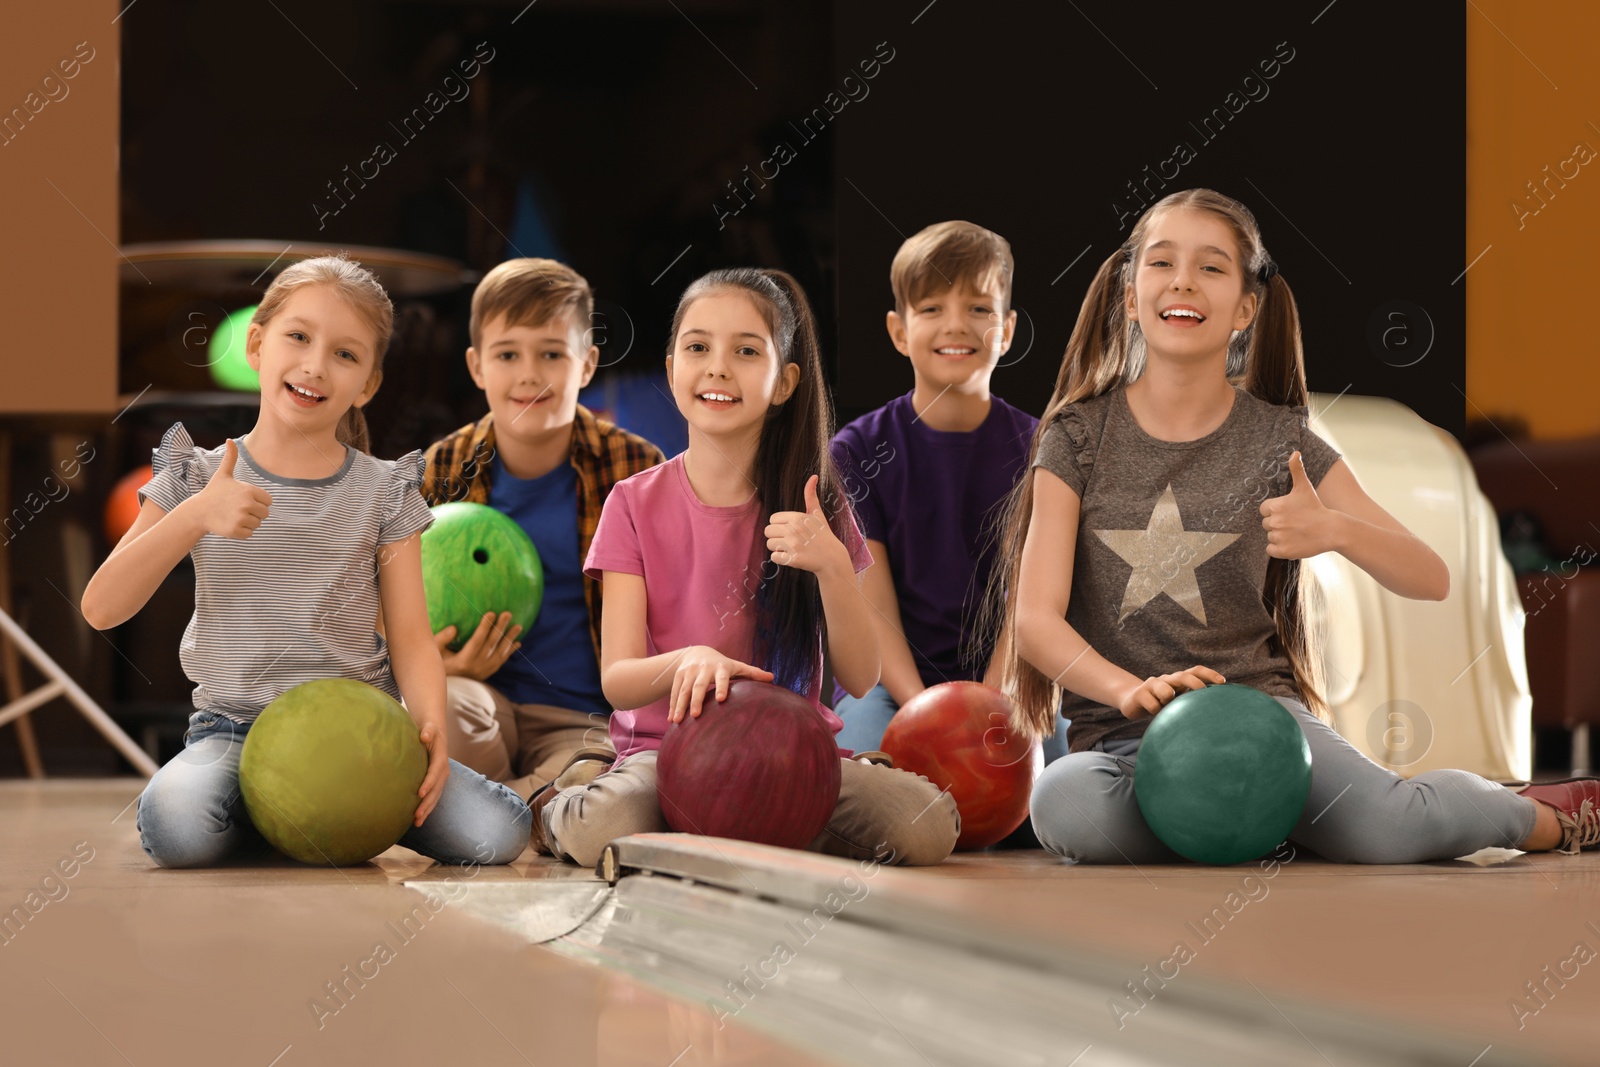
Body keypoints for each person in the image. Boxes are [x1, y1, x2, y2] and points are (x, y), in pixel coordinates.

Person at [986, 188, 1598, 863]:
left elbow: (1431, 575)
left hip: (1263, 730)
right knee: (1065, 804)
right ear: (1130, 294)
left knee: (1394, 828)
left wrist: (1335, 530)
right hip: (1127, 742)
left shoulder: (1282, 439)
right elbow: (1035, 620)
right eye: (1161, 263)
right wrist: (1127, 689)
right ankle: (1260, 823)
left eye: (1212, 267)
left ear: (1246, 307)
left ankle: (1542, 815)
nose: (1184, 280)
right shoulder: (1075, 435)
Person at [82, 255, 530, 868]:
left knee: (499, 833)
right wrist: (193, 516)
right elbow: (102, 609)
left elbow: (409, 635)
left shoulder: (384, 489)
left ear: (368, 383)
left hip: (359, 734)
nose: (316, 366)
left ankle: (321, 814)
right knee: (177, 827)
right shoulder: (197, 474)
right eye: (298, 337)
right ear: (258, 344)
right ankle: (295, 817)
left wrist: (429, 731)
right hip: (233, 733)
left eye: (346, 354)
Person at [533, 267, 960, 868]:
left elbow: (862, 678)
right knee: (598, 823)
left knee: (929, 826)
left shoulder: (819, 505)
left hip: (793, 756)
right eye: (699, 347)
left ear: (784, 383)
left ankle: (720, 836)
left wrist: (835, 568)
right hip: (667, 752)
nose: (717, 367)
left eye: (746, 352)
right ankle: (576, 797)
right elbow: (619, 678)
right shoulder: (632, 502)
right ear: (672, 366)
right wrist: (689, 658)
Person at [421, 258, 664, 803]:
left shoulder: (635, 467)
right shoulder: (444, 465)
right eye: (508, 354)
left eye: (552, 354)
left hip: (582, 721)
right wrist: (441, 663)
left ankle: (496, 810)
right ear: (477, 366)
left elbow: (670, 606)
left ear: (586, 364)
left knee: (595, 779)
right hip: (478, 701)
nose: (529, 374)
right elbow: (390, 604)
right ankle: (525, 811)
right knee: (439, 707)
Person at [829, 220, 1065, 758]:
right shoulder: (856, 450)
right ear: (898, 330)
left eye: (979, 309)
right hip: (889, 688)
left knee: (1053, 795)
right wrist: (928, 716)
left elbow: (1028, 608)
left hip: (1009, 683)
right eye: (932, 308)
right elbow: (874, 610)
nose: (956, 326)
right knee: (870, 784)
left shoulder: (1044, 449)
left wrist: (985, 707)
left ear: (1005, 330)